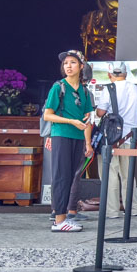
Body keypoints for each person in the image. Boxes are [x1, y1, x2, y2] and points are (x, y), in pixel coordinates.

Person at [43, 50, 95, 232]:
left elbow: (88, 118)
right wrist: (70, 121)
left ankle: (64, 217)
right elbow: (47, 115)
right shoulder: (59, 87)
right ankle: (58, 220)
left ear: (81, 66)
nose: (68, 66)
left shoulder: (85, 92)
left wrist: (88, 142)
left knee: (71, 177)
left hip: (78, 138)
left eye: (73, 63)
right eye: (66, 63)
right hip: (61, 135)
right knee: (61, 177)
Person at [93, 62, 137, 219]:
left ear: (110, 75)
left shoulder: (108, 90)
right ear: (126, 74)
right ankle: (133, 208)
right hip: (130, 137)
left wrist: (96, 110)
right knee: (128, 175)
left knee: (110, 175)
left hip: (110, 139)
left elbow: (101, 112)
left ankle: (112, 211)